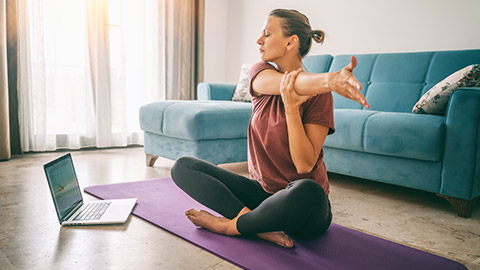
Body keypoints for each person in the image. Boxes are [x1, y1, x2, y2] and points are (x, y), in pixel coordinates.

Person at [170, 8, 369, 248]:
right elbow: (290, 83)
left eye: (266, 34)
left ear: (290, 42)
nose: (259, 40)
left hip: (301, 206)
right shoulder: (260, 72)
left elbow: (304, 165)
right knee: (183, 166)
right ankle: (252, 222)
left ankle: (231, 226)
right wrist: (329, 80)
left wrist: (292, 110)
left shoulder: (320, 97)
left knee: (309, 190)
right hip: (262, 196)